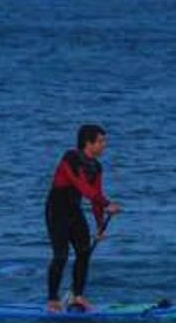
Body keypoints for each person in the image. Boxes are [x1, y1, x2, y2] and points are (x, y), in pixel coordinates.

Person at [45, 124, 122, 312]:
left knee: (84, 252)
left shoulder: (96, 166)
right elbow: (80, 185)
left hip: (74, 211)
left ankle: (77, 297)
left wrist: (99, 226)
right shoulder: (70, 157)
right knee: (61, 255)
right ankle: (52, 299)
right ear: (88, 143)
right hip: (57, 210)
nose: (104, 145)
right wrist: (106, 204)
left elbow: (96, 193)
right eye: (101, 141)